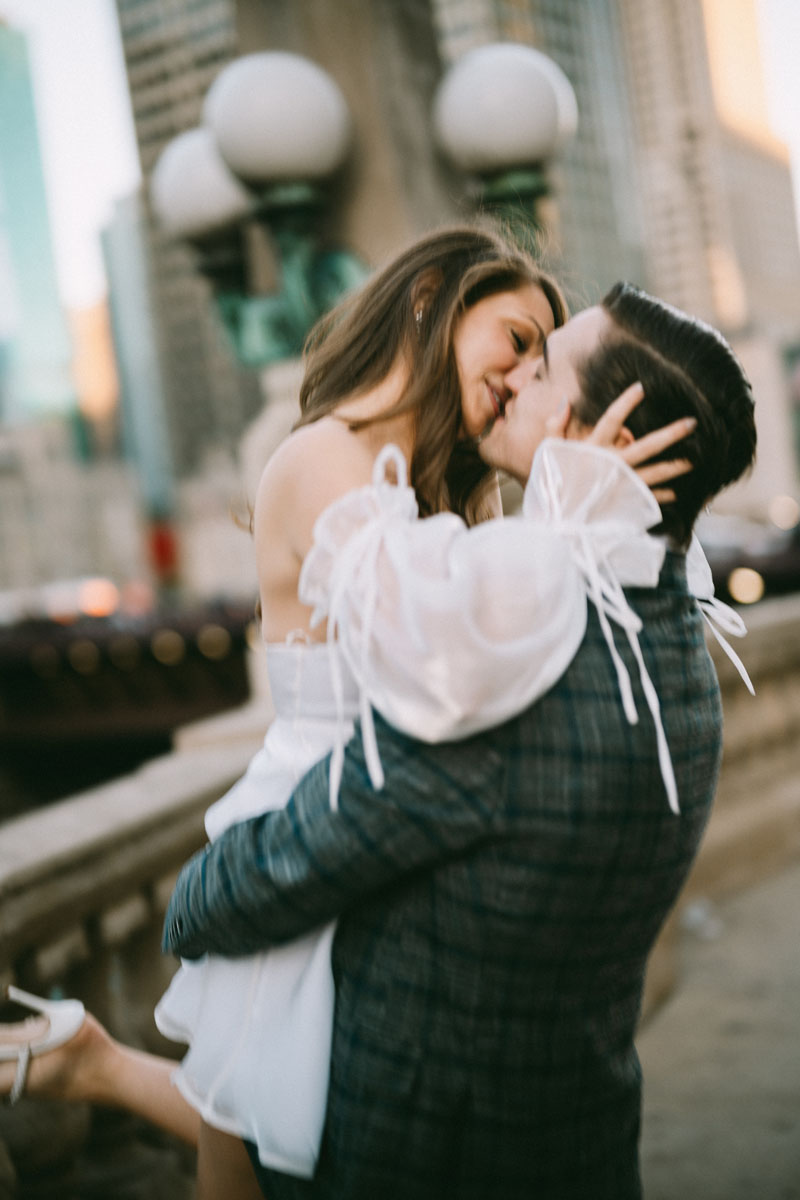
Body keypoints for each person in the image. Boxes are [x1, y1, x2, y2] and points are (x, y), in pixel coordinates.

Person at [0, 229, 691, 1198]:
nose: (525, 372)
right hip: (313, 819)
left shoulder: (458, 484)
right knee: (250, 1146)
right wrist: (571, 515)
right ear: (431, 305)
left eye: (544, 358)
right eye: (516, 337)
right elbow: (435, 648)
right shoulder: (325, 455)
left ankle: (93, 1062)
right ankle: (94, 1064)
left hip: (382, 825)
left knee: (281, 1134)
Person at [161, 282, 757, 1199]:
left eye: (543, 362)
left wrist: (190, 900)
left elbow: (272, 870)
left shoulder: (511, 669)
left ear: (618, 441)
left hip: (426, 1155)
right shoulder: (683, 643)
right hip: (581, 1140)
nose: (517, 378)